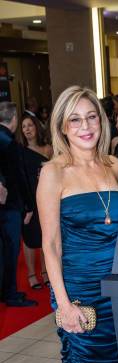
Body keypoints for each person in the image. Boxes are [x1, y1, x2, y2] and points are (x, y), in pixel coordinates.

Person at [37, 85, 118, 363]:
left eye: (91, 116)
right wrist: (63, 303)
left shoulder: (113, 165)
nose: (85, 126)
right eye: (75, 119)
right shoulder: (53, 172)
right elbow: (50, 244)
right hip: (78, 289)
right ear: (62, 126)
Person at [0, 102, 37, 307]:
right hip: (10, 207)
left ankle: (7, 291)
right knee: (11, 249)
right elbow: (20, 177)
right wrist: (29, 206)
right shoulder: (9, 143)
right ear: (14, 119)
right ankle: (10, 294)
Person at [20, 113, 53, 289]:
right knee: (28, 237)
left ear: (36, 127)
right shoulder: (20, 151)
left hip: (46, 196)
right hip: (29, 198)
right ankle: (32, 274)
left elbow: (58, 171)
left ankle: (46, 272)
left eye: (30, 125)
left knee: (45, 235)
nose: (27, 129)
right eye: (24, 126)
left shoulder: (48, 149)